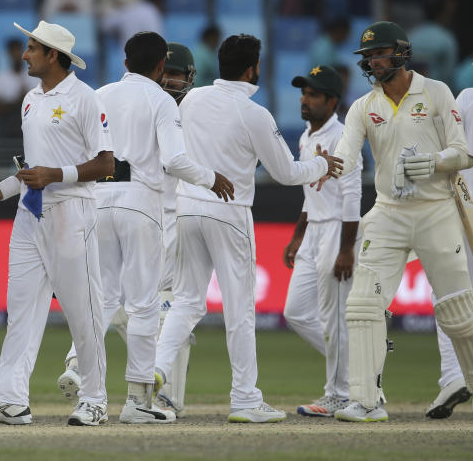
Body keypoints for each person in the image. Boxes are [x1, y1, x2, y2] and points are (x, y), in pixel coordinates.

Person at [153, 34, 342, 424]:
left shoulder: (191, 99)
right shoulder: (254, 113)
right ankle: (244, 400)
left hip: (187, 208)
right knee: (239, 309)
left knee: (187, 300)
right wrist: (324, 165)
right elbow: (288, 173)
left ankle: (152, 370)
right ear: (253, 69)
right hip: (229, 212)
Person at [58, 32, 235, 425]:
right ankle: (139, 400)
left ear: (125, 61)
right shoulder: (159, 100)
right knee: (143, 306)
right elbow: (174, 160)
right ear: (158, 68)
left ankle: (81, 377)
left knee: (100, 299)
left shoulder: (98, 93)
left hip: (98, 200)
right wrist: (211, 178)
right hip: (141, 203)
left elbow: (77, 153)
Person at [329, 21, 473, 422]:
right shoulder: (362, 106)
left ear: (401, 54)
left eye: (378, 54)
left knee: (457, 306)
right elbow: (346, 154)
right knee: (363, 304)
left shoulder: (437, 93)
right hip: (388, 211)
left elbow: (464, 153)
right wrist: (328, 165)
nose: (372, 62)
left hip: (436, 210)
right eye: (367, 56)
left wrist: (435, 162)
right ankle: (366, 401)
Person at [0, 21, 114, 426]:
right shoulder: (30, 99)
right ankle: (11, 400)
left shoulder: (86, 98)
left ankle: (95, 397)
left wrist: (54, 175)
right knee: (22, 311)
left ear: (52, 55)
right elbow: (31, 169)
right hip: (29, 214)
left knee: (84, 312)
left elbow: (106, 164)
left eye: (32, 48)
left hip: (71, 214)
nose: (24, 55)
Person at [281, 64, 362, 418]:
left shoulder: (342, 138)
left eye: (313, 94)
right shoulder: (305, 136)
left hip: (336, 232)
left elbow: (352, 196)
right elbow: (307, 192)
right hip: (314, 230)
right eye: (303, 93)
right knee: (296, 312)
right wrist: (298, 235)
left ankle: (340, 394)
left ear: (331, 101)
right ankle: (360, 361)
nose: (304, 100)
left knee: (334, 318)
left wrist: (346, 249)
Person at [427, 44, 473, 419]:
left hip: (467, 211)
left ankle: (455, 375)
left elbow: (446, 146)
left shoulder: (470, 97)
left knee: (454, 296)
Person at [152, 42, 200, 416]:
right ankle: (92, 387)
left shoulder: (199, 112)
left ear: (189, 78)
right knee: (118, 309)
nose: (169, 80)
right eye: (165, 72)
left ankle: (167, 396)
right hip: (137, 220)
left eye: (177, 75)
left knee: (173, 313)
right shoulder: (141, 105)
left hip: (178, 225)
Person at [0, 39, 37, 167]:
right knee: (0, 173)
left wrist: (7, 103)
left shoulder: (34, 77)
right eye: (13, 51)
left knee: (27, 173)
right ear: (8, 53)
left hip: (26, 134)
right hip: (5, 133)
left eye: (18, 50)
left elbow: (38, 108)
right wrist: (20, 100)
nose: (16, 54)